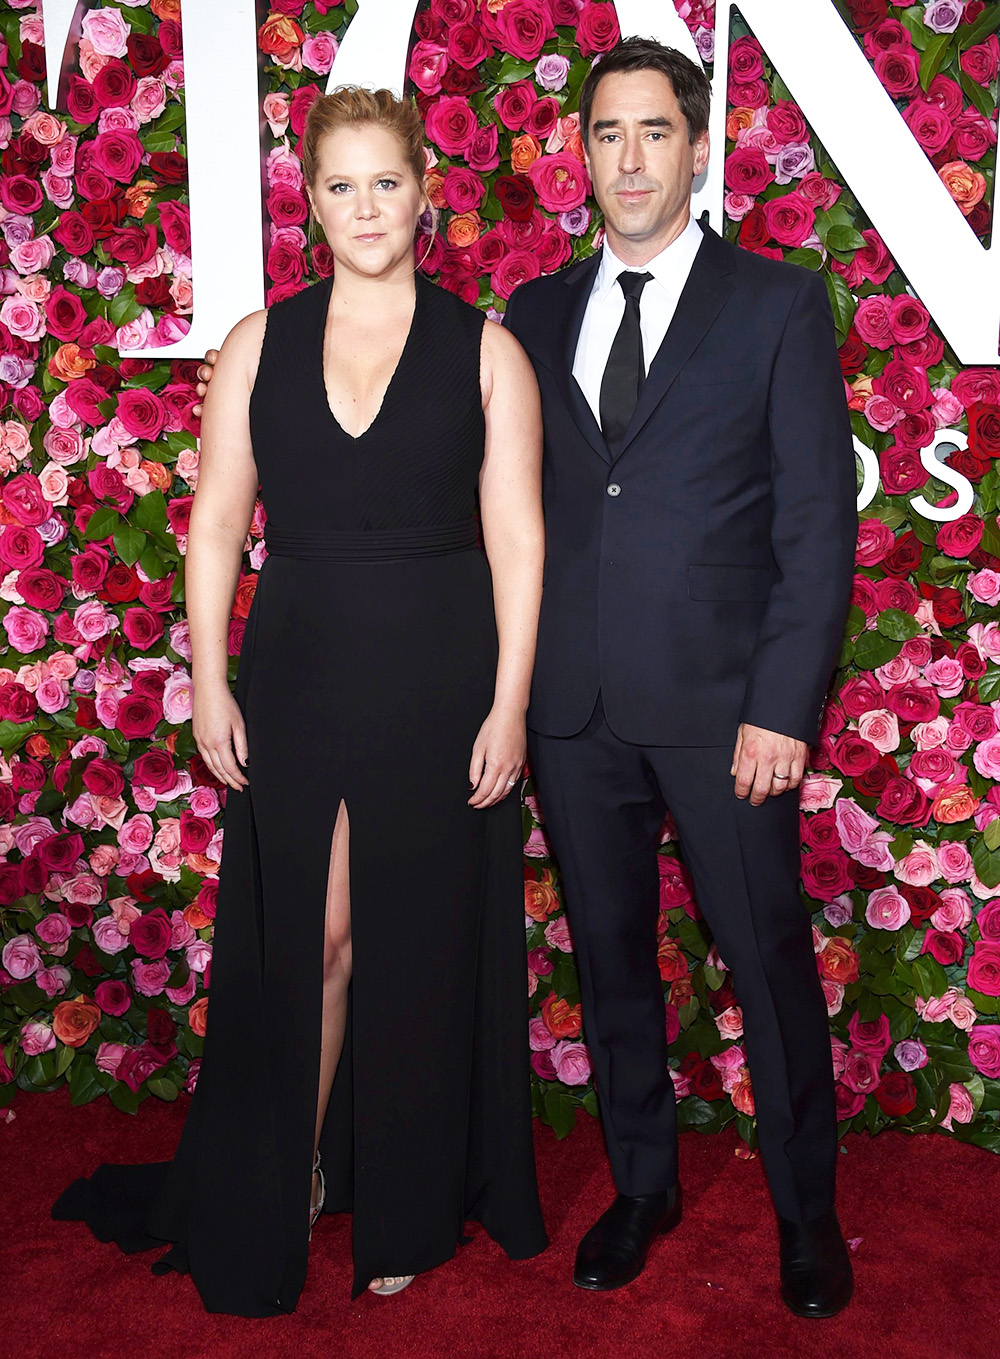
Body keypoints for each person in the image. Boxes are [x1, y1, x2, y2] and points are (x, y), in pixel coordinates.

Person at [53, 86, 547, 1314]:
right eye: (341, 185)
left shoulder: (486, 348)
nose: (365, 206)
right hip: (300, 670)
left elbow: (521, 541)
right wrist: (209, 678)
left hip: (441, 677)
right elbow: (216, 523)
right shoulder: (257, 343)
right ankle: (299, 1171)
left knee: (414, 951)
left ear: (425, 194)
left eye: (387, 182)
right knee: (318, 942)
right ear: (309, 201)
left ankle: (404, 1198)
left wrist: (510, 703)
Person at [501, 39, 857, 1318]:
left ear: (698, 149)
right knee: (610, 967)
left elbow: (818, 525)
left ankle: (807, 1215)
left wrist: (781, 706)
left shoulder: (771, 304)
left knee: (763, 963)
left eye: (655, 131)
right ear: (581, 155)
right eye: (607, 133)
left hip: (725, 715)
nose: (631, 156)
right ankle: (640, 1183)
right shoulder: (532, 315)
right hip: (574, 711)